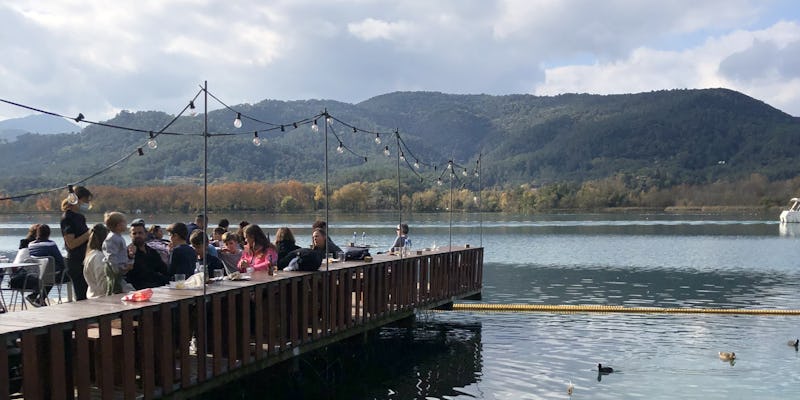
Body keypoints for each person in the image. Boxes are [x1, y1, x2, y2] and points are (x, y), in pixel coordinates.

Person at [11, 224, 66, 307]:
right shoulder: (51, 244)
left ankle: (35, 297)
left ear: (38, 233)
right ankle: (39, 299)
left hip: (36, 274)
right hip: (46, 274)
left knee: (49, 275)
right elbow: (59, 259)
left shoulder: (31, 245)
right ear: (49, 234)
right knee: (57, 274)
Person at [60, 185, 92, 300]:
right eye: (86, 201)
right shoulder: (67, 218)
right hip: (75, 263)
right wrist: (89, 233)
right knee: (81, 296)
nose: (87, 204)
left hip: (84, 261)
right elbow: (71, 244)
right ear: (77, 199)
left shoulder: (80, 217)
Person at [126, 220, 170, 289]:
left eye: (140, 233)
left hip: (157, 288)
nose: (137, 235)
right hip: (137, 289)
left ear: (146, 234)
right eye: (134, 233)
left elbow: (164, 269)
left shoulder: (152, 251)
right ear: (130, 235)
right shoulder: (127, 253)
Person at [102, 212, 134, 294]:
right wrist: (116, 269)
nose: (126, 224)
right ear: (118, 225)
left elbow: (120, 253)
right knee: (113, 287)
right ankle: (111, 301)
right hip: (113, 268)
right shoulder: (112, 238)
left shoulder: (118, 237)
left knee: (119, 287)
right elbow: (111, 255)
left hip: (119, 268)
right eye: (125, 222)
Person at [84, 223, 110, 299]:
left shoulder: (91, 254)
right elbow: (103, 284)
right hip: (101, 298)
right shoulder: (99, 257)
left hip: (93, 295)